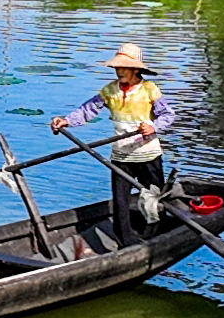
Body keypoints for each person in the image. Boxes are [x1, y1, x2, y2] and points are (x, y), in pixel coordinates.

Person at [59, 42, 170, 228]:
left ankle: (157, 232)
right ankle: (124, 240)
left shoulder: (149, 89)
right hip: (121, 155)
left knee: (154, 198)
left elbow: (167, 115)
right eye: (117, 67)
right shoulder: (110, 90)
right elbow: (88, 110)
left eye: (124, 68)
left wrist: (153, 127)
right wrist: (66, 121)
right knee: (120, 202)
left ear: (135, 69)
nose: (119, 72)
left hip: (148, 154)